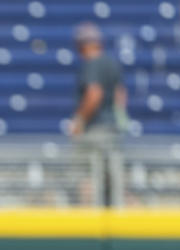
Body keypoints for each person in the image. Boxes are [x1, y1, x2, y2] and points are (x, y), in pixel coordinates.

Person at [70, 22, 126, 205]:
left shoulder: (92, 64)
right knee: (113, 180)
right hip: (112, 129)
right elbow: (121, 95)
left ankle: (89, 223)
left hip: (95, 130)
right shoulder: (111, 63)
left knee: (88, 177)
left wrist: (79, 120)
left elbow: (94, 94)